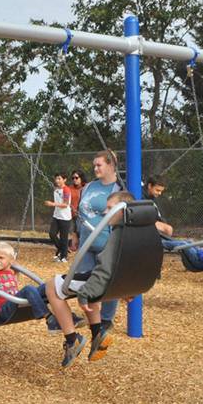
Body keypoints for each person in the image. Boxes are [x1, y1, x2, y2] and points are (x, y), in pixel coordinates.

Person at [46, 190, 132, 367]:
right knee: (88, 281)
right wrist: (129, 288)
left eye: (110, 208)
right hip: (117, 284)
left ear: (123, 210)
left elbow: (103, 270)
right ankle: (97, 333)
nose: (105, 212)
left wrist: (84, 294)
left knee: (51, 287)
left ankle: (72, 340)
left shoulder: (117, 235)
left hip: (105, 282)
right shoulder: (137, 232)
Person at [73, 149, 122, 361]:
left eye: (99, 165)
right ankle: (96, 329)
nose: (95, 169)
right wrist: (74, 234)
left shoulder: (118, 188)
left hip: (106, 242)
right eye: (94, 165)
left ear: (111, 165)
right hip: (86, 242)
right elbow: (80, 211)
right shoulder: (89, 186)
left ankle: (106, 321)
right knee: (83, 280)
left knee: (106, 282)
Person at [44, 172, 73, 263]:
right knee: (52, 234)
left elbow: (65, 204)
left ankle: (63, 256)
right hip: (56, 216)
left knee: (64, 237)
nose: (57, 180)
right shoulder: (56, 189)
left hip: (65, 217)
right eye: (56, 178)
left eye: (59, 178)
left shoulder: (66, 190)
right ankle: (62, 249)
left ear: (64, 180)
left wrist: (52, 204)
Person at [67, 170, 87, 254]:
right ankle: (73, 245)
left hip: (84, 214)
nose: (74, 179)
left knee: (82, 230)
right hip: (73, 213)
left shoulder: (87, 187)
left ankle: (82, 245)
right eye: (73, 178)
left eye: (76, 177)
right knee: (74, 230)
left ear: (81, 178)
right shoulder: (70, 188)